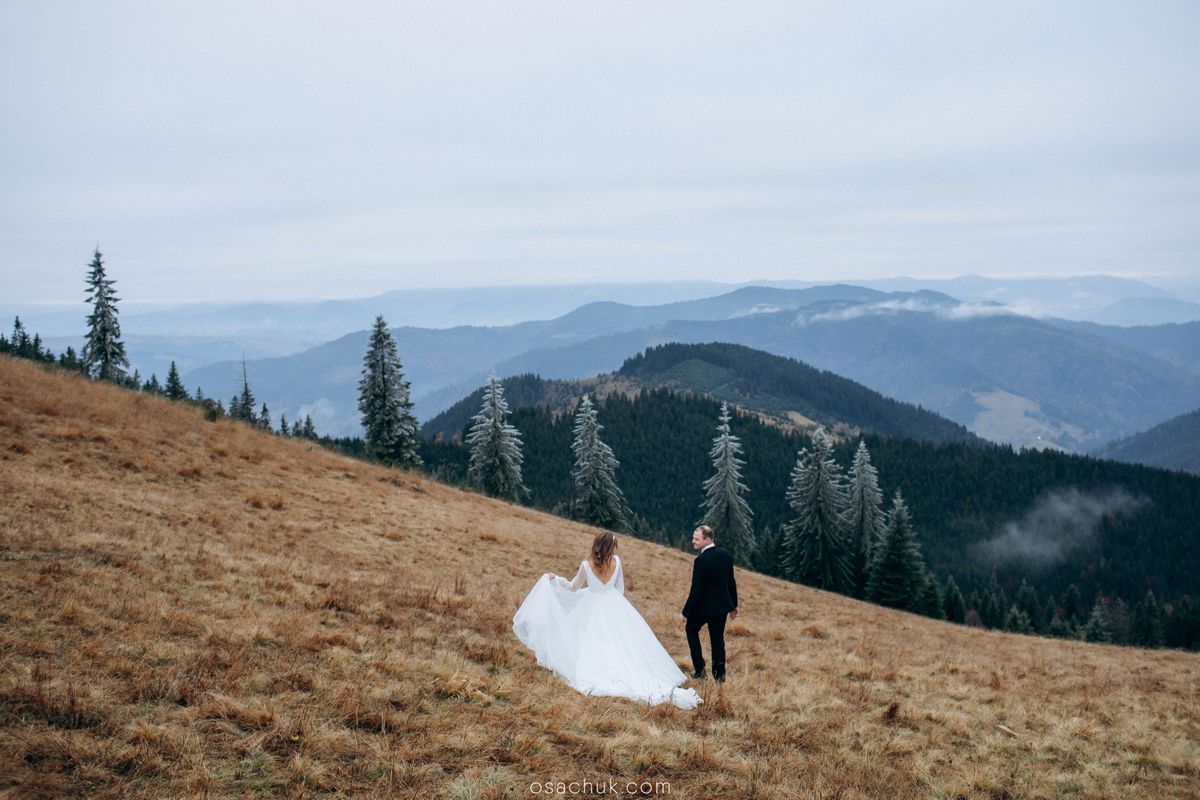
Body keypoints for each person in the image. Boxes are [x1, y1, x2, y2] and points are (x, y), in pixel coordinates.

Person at [512, 531, 702, 709]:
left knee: (591, 640)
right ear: (611, 548)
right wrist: (610, 598)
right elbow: (620, 589)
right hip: (615, 605)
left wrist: (556, 579)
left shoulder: (586, 565)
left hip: (592, 605)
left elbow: (572, 588)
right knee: (621, 642)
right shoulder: (617, 562)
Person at [679, 525, 739, 682]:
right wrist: (733, 605)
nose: (693, 541)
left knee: (691, 630)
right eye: (693, 537)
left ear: (708, 539)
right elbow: (731, 582)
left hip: (703, 608)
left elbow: (696, 590)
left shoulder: (701, 560)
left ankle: (699, 670)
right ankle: (720, 678)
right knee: (718, 642)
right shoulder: (726, 555)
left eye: (696, 539)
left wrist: (686, 612)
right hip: (721, 608)